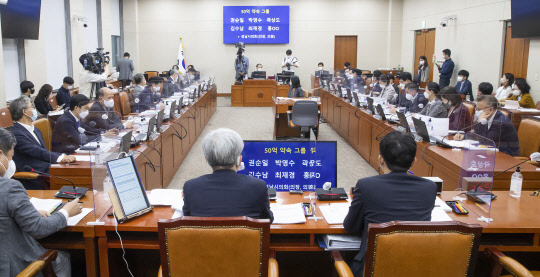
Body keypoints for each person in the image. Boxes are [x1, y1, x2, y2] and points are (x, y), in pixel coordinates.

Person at [344, 131, 437, 277]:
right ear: (414, 162)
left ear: (380, 159)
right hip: (415, 268)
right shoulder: (430, 187)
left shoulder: (366, 185)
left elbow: (350, 227)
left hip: (371, 269)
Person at [0, 127, 83, 277]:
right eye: (11, 156)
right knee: (62, 258)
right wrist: (66, 212)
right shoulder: (9, 188)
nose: (11, 162)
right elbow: (38, 228)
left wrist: (25, 213)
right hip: (12, 267)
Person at [182, 128, 273, 222]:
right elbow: (267, 220)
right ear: (239, 160)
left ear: (206, 160)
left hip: (204, 237)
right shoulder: (258, 186)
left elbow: (187, 219)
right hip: (244, 237)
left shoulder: (190, 187)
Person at [9, 96, 76, 189]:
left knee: (76, 169)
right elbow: (36, 151)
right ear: (24, 112)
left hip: (47, 167)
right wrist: (60, 157)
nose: (34, 110)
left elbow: (42, 151)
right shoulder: (16, 133)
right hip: (35, 175)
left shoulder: (35, 129)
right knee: (73, 175)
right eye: (32, 107)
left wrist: (62, 156)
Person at [454, 95, 519, 156]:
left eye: (479, 109)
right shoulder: (488, 117)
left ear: (490, 110)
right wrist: (463, 136)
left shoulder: (501, 122)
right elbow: (477, 134)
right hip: (492, 151)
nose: (476, 112)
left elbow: (486, 141)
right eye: (476, 109)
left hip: (506, 156)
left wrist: (480, 121)